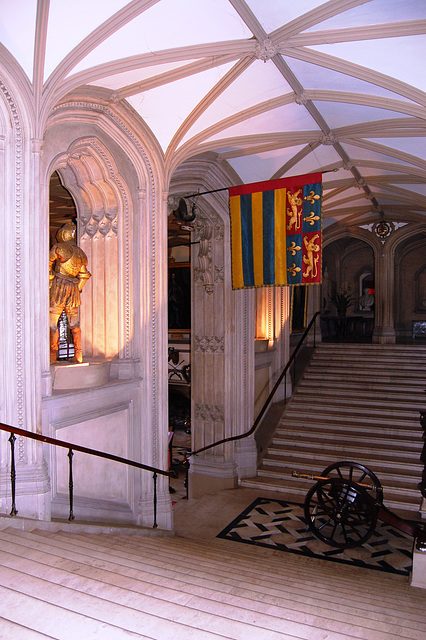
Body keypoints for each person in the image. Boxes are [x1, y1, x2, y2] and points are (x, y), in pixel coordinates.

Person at [49, 222, 91, 363]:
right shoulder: (80, 252)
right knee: (73, 321)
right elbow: (84, 275)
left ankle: (52, 355)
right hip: (73, 288)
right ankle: (78, 355)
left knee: (53, 320)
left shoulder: (59, 247)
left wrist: (49, 279)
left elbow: (47, 263)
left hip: (59, 286)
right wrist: (77, 289)